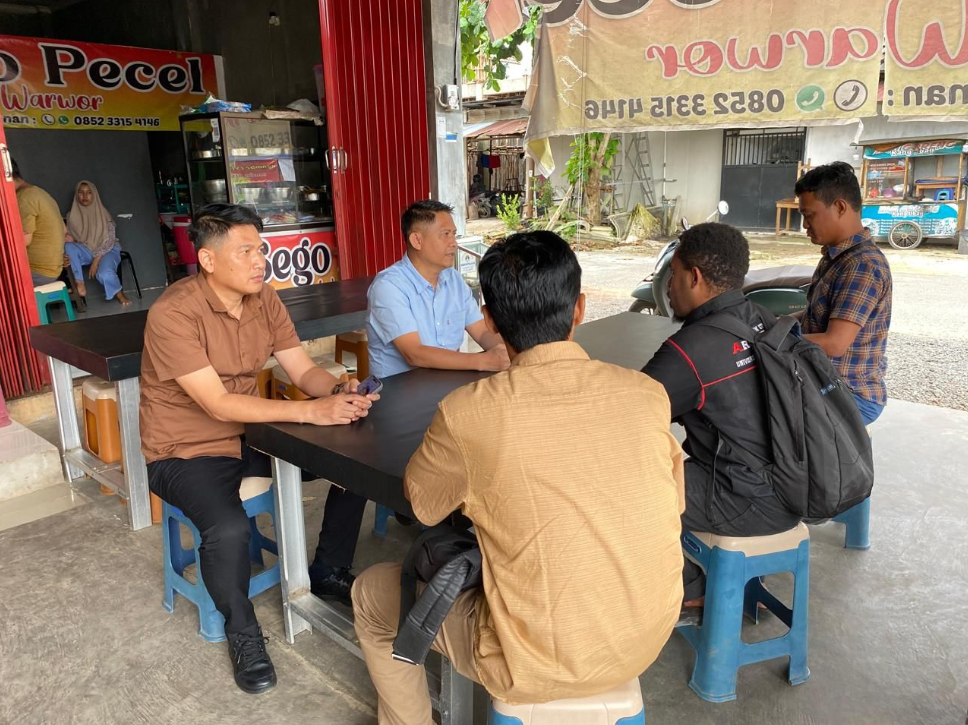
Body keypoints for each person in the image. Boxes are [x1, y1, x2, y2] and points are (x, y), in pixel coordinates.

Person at [352, 231, 685, 724]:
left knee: (369, 594)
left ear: (488, 320)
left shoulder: (468, 412)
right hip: (646, 636)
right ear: (579, 309)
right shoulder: (646, 394)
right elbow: (673, 503)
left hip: (531, 661)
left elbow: (423, 505)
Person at [140, 204, 379, 695]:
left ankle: (328, 569)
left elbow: (302, 369)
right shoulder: (173, 313)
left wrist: (336, 393)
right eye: (245, 251)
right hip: (183, 449)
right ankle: (243, 633)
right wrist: (310, 413)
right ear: (208, 259)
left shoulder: (263, 298)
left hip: (251, 433)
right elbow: (217, 403)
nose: (259, 261)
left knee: (356, 460)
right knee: (226, 529)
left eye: (260, 249)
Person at [643, 223, 801, 606]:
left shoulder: (690, 350)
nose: (669, 286)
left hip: (748, 499)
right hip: (797, 484)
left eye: (674, 274)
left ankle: (693, 588)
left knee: (626, 489)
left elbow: (630, 416)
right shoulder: (765, 318)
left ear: (694, 277)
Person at [796, 161, 893, 426]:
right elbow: (817, 315)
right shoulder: (837, 256)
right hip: (825, 379)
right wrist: (774, 322)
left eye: (809, 215)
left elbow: (835, 343)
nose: (805, 225)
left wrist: (771, 340)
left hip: (848, 392)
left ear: (839, 207)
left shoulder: (862, 265)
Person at [366, 200, 509, 379]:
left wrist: (509, 352)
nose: (454, 243)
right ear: (417, 240)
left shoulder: (454, 279)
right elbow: (414, 353)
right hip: (399, 390)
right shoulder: (388, 287)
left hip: (447, 382)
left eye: (454, 234)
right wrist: (484, 361)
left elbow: (481, 332)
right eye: (445, 234)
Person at [65, 180, 131, 306]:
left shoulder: (103, 214)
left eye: (89, 192)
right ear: (76, 195)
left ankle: (120, 293)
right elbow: (78, 238)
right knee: (69, 246)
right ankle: (79, 284)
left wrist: (96, 261)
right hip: (87, 249)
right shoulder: (71, 215)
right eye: (81, 192)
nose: (85, 196)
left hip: (107, 250)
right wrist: (73, 240)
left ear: (94, 195)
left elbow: (109, 240)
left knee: (104, 274)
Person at [11, 158, 66, 287]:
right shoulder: (39, 192)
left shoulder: (24, 198)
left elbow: (24, 241)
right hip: (53, 269)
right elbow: (64, 229)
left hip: (37, 271)